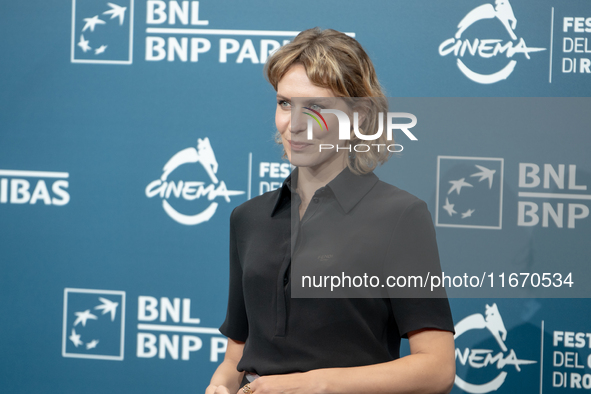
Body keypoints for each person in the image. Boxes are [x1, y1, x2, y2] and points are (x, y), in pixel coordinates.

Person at [206, 27, 455, 394]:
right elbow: (236, 356)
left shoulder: (400, 216)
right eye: (284, 103)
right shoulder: (249, 218)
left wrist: (315, 384)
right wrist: (220, 385)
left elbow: (437, 369)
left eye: (316, 107)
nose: (294, 125)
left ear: (359, 114)